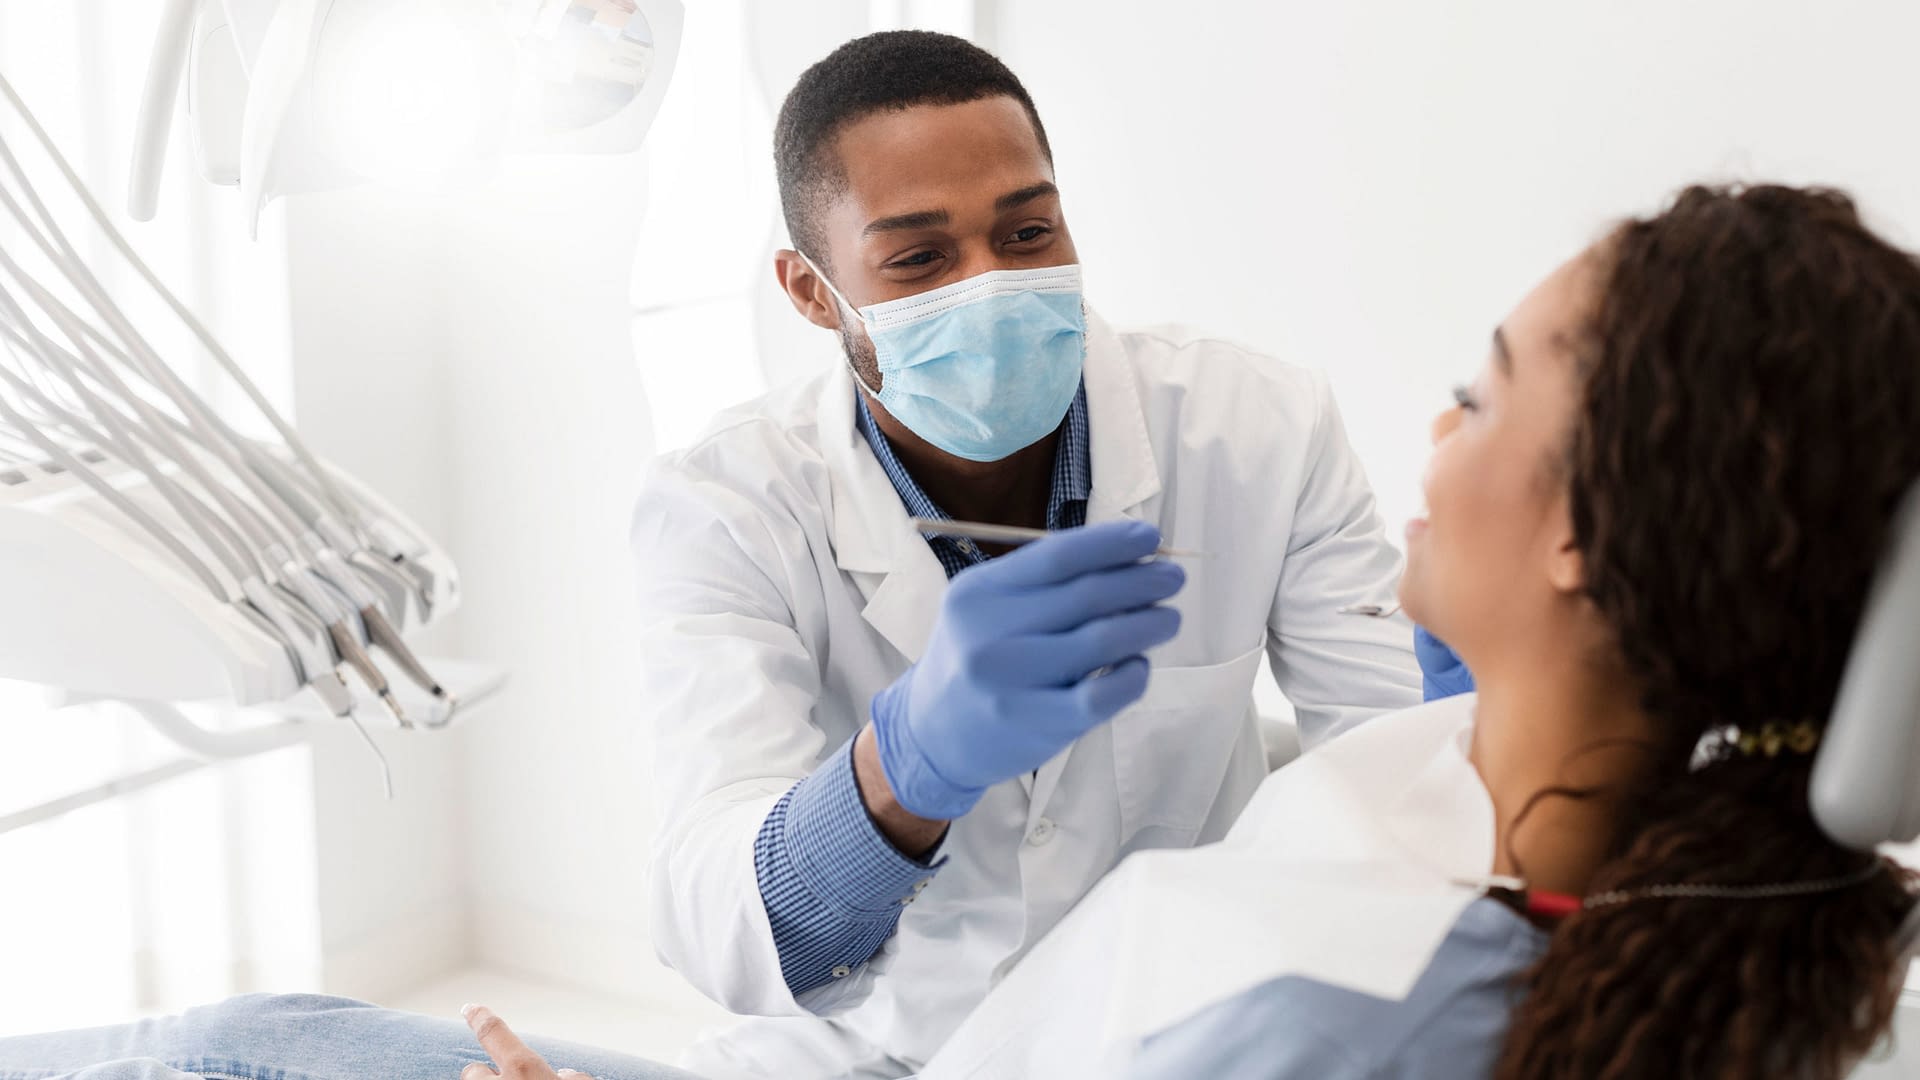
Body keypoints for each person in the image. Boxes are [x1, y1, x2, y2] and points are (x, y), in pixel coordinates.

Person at [922, 183, 1920, 1079]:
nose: (1439, 438)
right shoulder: (1717, 898)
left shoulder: (1339, 1031)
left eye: (1476, 401)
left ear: (1587, 529)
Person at [629, 29, 1424, 1078]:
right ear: (812, 291)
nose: (993, 284)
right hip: (873, 1050)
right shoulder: (725, 505)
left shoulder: (1256, 427)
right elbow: (713, 913)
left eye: (1028, 231)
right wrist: (900, 774)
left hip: (1177, 1031)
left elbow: (1403, 770)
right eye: (918, 256)